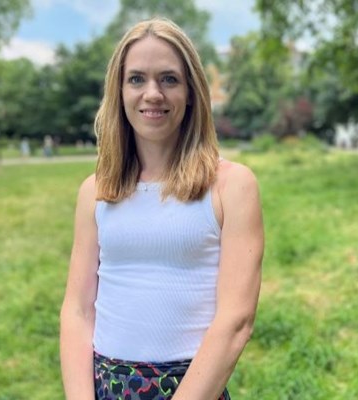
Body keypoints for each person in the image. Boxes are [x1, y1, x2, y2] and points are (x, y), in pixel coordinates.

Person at [60, 17, 264, 400]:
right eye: (136, 79)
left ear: (191, 92)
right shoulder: (96, 192)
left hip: (192, 388)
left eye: (169, 79)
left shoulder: (231, 186)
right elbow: (77, 310)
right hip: (105, 386)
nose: (152, 93)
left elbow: (236, 321)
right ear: (119, 91)